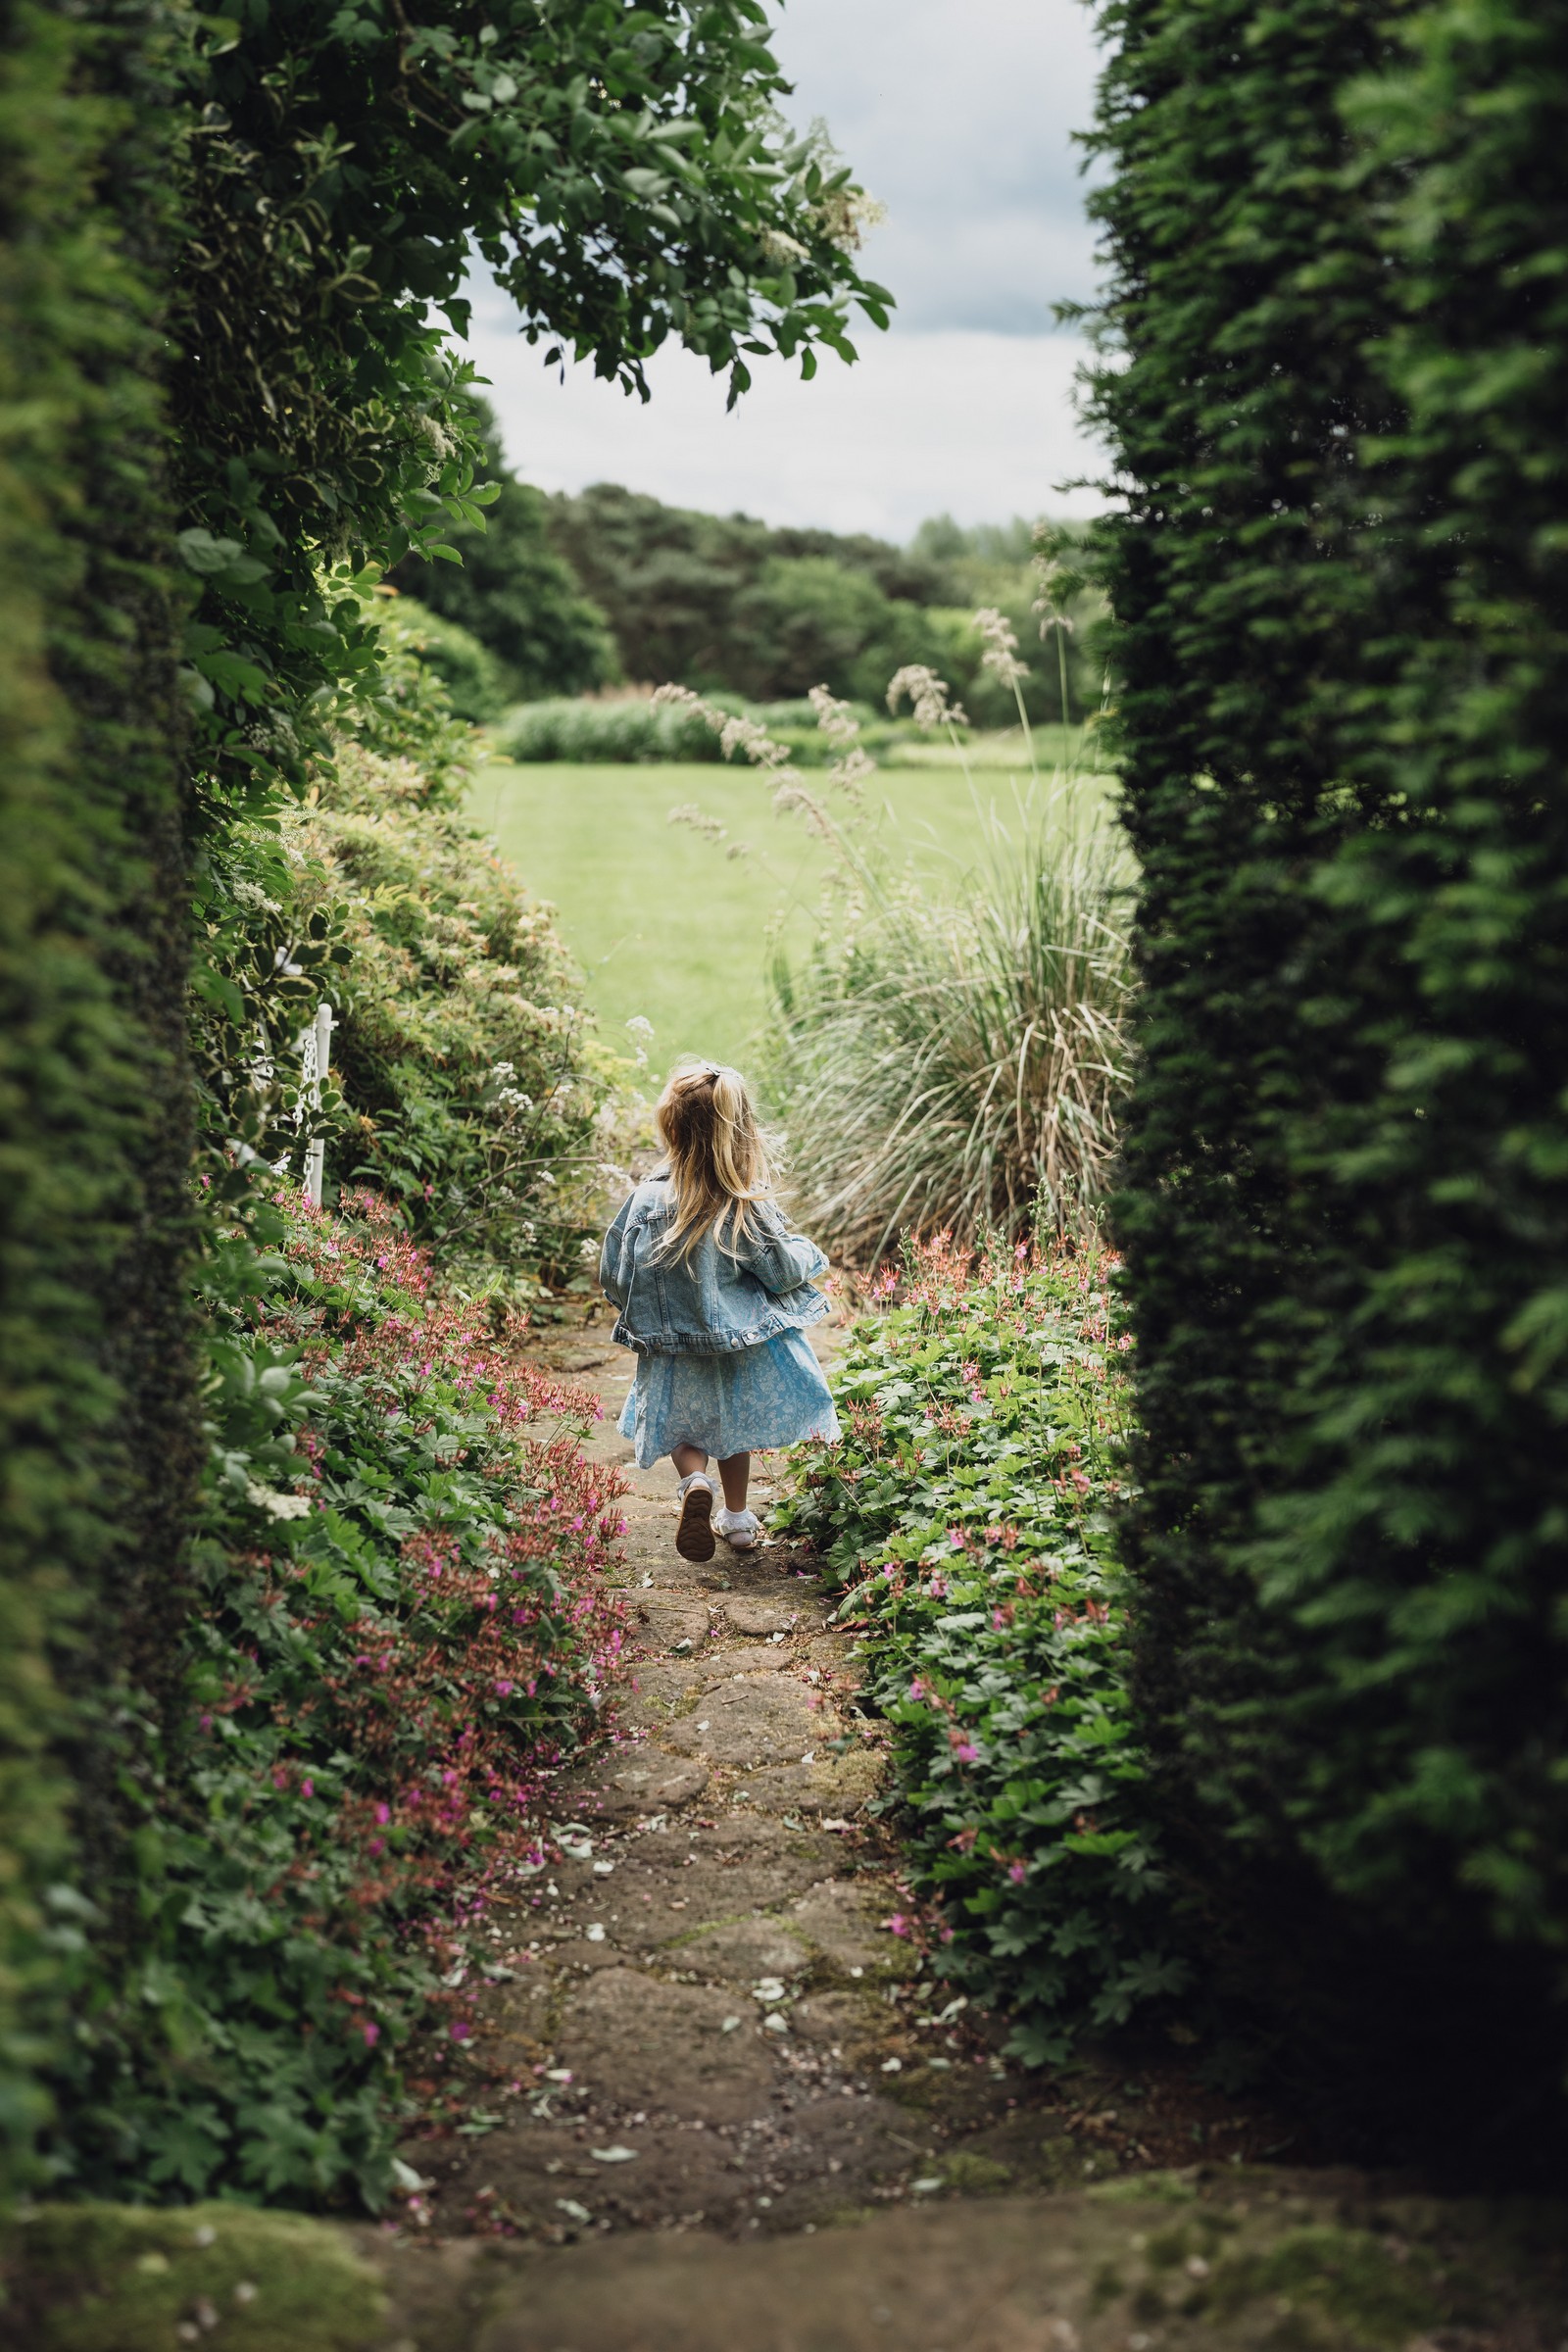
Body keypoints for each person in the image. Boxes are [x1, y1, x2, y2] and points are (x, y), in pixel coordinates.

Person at [599, 1060, 839, 1561]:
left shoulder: (644, 1201)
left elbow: (615, 1272)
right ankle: (737, 1519)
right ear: (740, 1133)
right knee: (734, 1428)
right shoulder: (740, 1201)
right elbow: (780, 1269)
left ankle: (693, 1482)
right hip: (737, 1343)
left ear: (670, 1128)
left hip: (673, 1349)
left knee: (683, 1429)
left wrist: (637, 1310)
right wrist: (811, 1254)